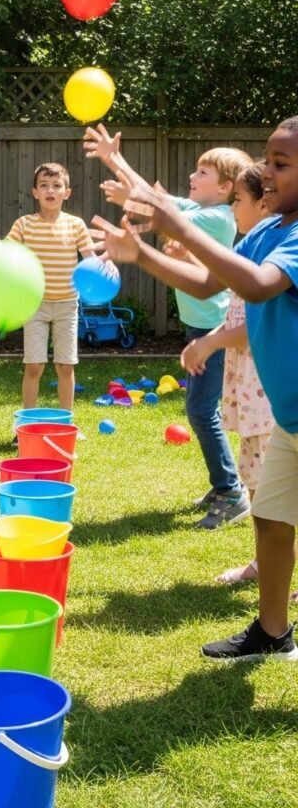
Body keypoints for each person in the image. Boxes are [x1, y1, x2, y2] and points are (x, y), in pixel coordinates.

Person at [90, 116, 298, 661]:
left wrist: (179, 230)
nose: (267, 173)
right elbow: (212, 282)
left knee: (276, 516)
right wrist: (141, 254)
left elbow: (255, 287)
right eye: (268, 160)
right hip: (291, 422)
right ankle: (273, 634)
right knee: (272, 518)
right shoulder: (269, 229)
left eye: (281, 164)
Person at [85, 124, 253, 529]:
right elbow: (158, 200)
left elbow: (158, 208)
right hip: (201, 326)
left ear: (226, 187)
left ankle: (231, 491)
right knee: (200, 409)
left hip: (214, 330)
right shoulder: (203, 209)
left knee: (200, 409)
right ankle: (224, 485)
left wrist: (120, 168)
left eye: (202, 173)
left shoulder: (217, 217)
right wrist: (115, 158)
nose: (192, 178)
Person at [180, 161, 273, 578]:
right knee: (257, 482)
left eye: (238, 199)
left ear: (264, 203)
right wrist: (210, 338)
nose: (233, 209)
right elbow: (229, 305)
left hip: (270, 389)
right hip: (250, 388)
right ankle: (262, 562)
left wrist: (211, 341)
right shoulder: (252, 245)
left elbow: (253, 328)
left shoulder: (274, 254)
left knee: (278, 490)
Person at [0, 162, 93, 415]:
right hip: (33, 305)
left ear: (66, 192)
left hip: (67, 304)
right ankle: (26, 422)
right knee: (34, 365)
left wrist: (104, 265)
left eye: (57, 186)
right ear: (35, 192)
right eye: (44, 185)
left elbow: (90, 259)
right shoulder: (25, 224)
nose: (50, 190)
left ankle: (66, 422)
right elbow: (3, 252)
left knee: (65, 366)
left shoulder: (76, 225)